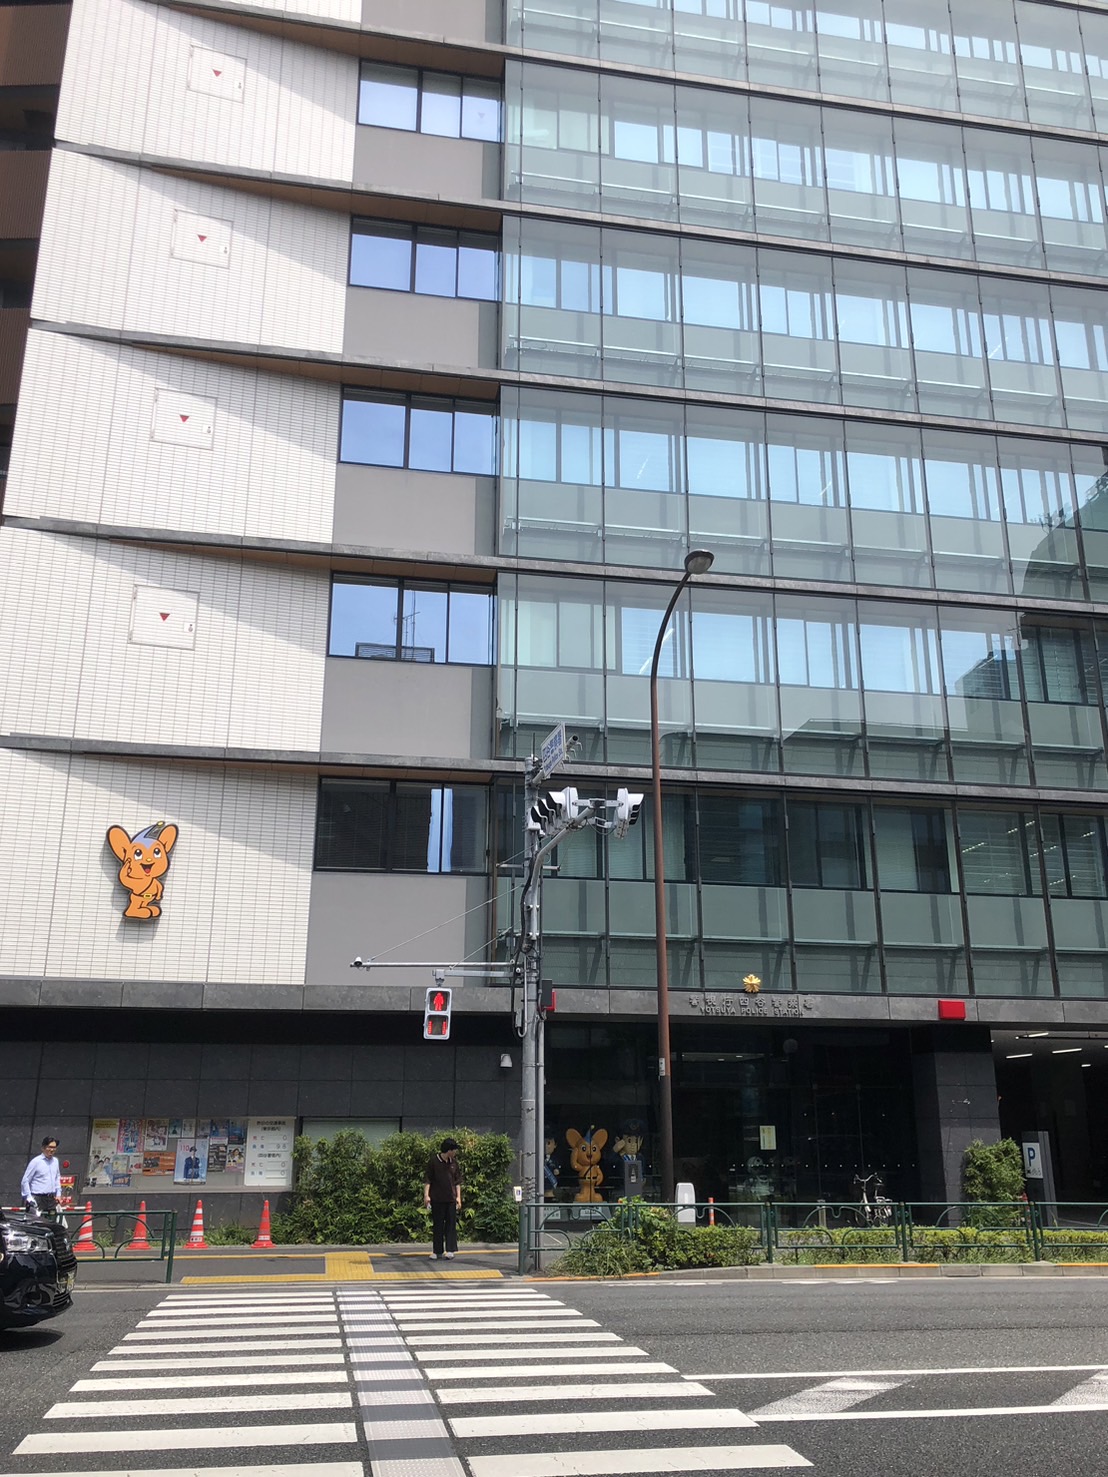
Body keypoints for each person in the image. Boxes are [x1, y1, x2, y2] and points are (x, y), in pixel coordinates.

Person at [423, 1137, 462, 1260]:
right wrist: (426, 1195)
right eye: (454, 1150)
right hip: (437, 1198)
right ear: (448, 1150)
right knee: (438, 1225)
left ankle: (450, 1250)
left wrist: (459, 1197)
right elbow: (428, 1180)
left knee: (451, 1225)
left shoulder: (454, 1163)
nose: (455, 1152)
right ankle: (437, 1251)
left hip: (451, 1199)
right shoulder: (434, 1162)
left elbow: (457, 1182)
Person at [21, 1135, 61, 1216]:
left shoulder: (55, 1161)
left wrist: (58, 1194)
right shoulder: (36, 1162)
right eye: (50, 1147)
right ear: (43, 1148)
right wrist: (29, 1197)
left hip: (51, 1198)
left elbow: (57, 1178)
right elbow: (25, 1180)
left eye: (54, 1147)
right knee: (35, 1221)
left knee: (51, 1221)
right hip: (37, 1198)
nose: (52, 1150)